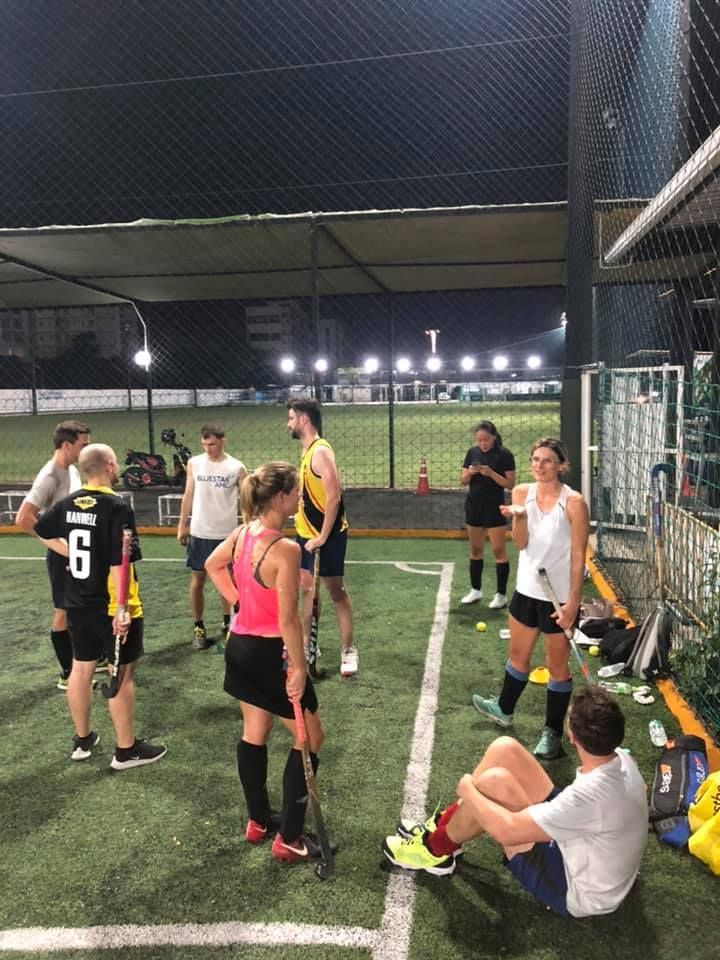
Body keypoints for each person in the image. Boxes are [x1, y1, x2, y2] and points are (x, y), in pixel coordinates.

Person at [383, 685, 648, 919]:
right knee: (505, 748)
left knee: (492, 784)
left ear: (572, 737)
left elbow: (506, 831)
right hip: (589, 848)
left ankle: (435, 849)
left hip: (578, 891)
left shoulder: (588, 796)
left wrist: (468, 790)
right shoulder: (623, 760)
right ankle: (443, 827)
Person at [205, 461, 327, 863]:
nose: (300, 496)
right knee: (310, 737)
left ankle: (258, 820)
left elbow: (213, 565)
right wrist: (299, 668)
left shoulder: (243, 533)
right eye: (296, 491)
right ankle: (289, 838)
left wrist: (240, 600)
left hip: (238, 645)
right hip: (269, 652)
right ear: (280, 498)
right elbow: (289, 620)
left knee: (255, 729)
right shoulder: (286, 548)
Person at [34, 443, 167, 770]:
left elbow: (39, 528)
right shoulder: (116, 506)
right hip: (111, 606)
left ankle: (83, 740)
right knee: (122, 673)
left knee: (81, 668)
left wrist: (66, 551)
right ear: (109, 465)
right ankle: (126, 750)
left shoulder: (67, 504)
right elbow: (119, 565)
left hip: (77, 601)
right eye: (116, 461)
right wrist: (121, 608)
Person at [472, 438, 590, 760]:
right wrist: (520, 517)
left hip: (559, 598)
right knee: (518, 655)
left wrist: (573, 605)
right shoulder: (522, 493)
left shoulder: (574, 502)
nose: (540, 465)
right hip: (527, 590)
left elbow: (579, 557)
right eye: (536, 459)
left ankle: (552, 735)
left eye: (548, 460)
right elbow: (521, 544)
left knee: (556, 668)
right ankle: (504, 708)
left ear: (561, 465)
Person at [15, 419, 90, 689]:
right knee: (63, 611)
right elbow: (24, 518)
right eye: (84, 445)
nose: (86, 450)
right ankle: (67, 673)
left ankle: (89, 660)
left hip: (76, 551)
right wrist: (59, 546)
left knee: (81, 606)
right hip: (63, 555)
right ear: (67, 445)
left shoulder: (71, 469)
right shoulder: (50, 475)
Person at [287, 398, 358, 677]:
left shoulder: (320, 451)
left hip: (325, 537)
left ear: (304, 419)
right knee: (308, 592)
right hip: (305, 535)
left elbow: (334, 497)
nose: (289, 423)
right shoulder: (306, 452)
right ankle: (308, 646)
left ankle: (348, 649)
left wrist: (322, 537)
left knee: (335, 592)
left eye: (292, 417)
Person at [177, 424, 247, 649]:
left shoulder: (236, 467)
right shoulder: (194, 463)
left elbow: (247, 501)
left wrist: (246, 528)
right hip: (200, 532)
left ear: (223, 440)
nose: (208, 448)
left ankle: (229, 623)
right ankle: (198, 626)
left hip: (226, 535)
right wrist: (182, 525)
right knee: (198, 580)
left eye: (213, 444)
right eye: (204, 444)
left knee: (228, 581)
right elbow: (188, 495)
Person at [459, 420, 516, 609]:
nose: (482, 444)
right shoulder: (472, 453)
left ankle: (501, 595)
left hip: (494, 507)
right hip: (474, 505)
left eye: (486, 440)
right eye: (479, 440)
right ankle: (475, 590)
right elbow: (463, 480)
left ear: (494, 437)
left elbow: (509, 484)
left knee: (499, 551)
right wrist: (471, 473)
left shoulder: (504, 455)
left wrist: (491, 473)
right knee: (475, 550)